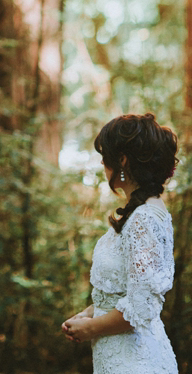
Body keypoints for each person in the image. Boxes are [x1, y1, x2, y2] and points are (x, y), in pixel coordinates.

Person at [62, 112, 178, 373]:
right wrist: (88, 314)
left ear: (122, 160)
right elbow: (125, 292)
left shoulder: (144, 218)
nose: (103, 166)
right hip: (119, 356)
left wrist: (90, 329)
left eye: (105, 159)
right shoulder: (142, 212)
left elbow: (141, 306)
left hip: (135, 360)